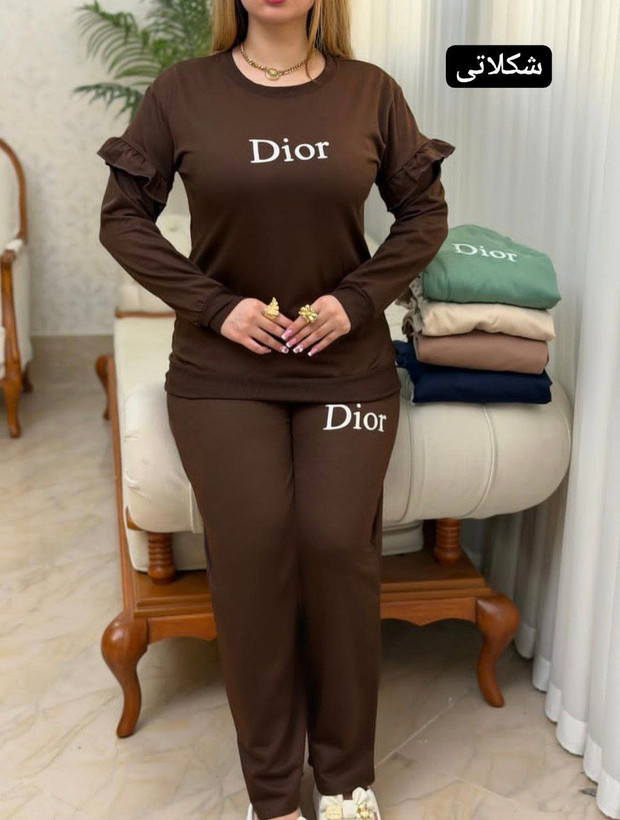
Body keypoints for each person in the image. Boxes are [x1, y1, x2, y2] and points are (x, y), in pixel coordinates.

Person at [96, 1, 455, 818]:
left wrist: (356, 301)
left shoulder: (371, 92)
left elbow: (424, 215)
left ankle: (346, 780)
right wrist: (216, 307)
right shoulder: (182, 91)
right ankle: (273, 797)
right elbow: (122, 220)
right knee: (253, 551)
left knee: (335, 544)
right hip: (222, 373)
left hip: (346, 373)